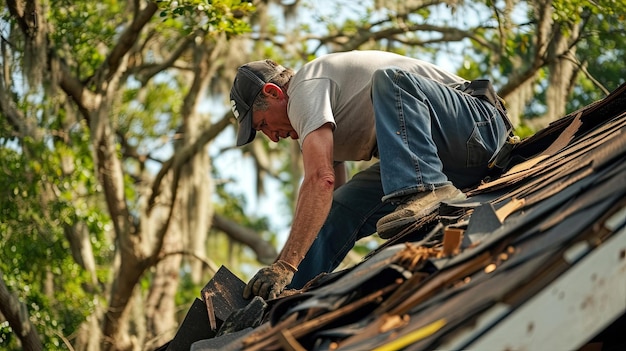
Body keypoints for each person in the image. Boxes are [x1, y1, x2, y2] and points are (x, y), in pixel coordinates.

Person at [229, 50, 510, 300]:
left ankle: (428, 191)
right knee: (340, 207)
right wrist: (281, 273)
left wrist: (284, 263)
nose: (273, 139)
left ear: (273, 92)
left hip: (479, 127)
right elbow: (326, 199)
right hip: (444, 165)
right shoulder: (321, 118)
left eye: (263, 125)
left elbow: (319, 179)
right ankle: (279, 298)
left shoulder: (305, 89)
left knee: (391, 81)